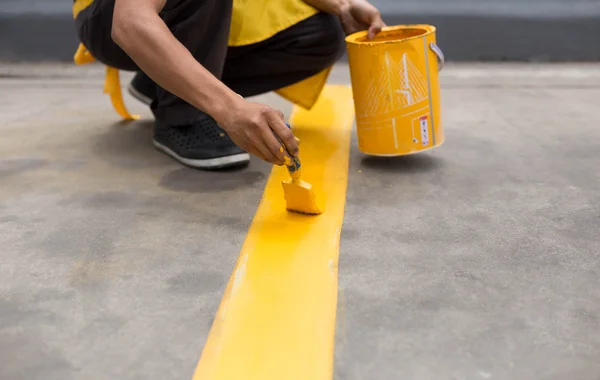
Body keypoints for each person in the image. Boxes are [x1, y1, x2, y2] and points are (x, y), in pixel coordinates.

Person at [73, 0, 385, 169]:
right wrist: (229, 108)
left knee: (319, 34)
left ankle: (164, 81)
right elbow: (130, 21)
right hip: (108, 13)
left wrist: (343, 5)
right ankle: (182, 117)